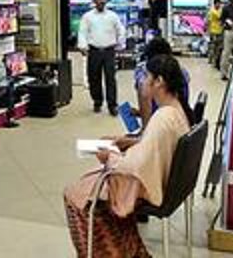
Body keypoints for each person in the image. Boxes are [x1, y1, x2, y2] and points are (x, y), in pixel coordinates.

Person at [64, 55, 194, 257]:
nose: (142, 81)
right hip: (166, 183)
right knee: (88, 185)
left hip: (147, 185)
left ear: (159, 81)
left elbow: (134, 167)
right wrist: (126, 143)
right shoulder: (176, 110)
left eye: (147, 76)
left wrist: (109, 155)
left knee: (75, 195)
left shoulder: (162, 117)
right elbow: (156, 146)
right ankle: (128, 249)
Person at [78, 0, 126, 116]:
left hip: (109, 51)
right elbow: (82, 32)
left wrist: (120, 43)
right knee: (94, 78)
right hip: (94, 50)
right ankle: (97, 101)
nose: (101, 1)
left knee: (110, 78)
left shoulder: (113, 16)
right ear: (94, 1)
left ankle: (112, 105)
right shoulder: (87, 16)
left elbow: (120, 30)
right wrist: (82, 46)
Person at [133, 37, 190, 128]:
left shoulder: (144, 72)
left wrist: (144, 129)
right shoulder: (181, 72)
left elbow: (144, 98)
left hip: (158, 124)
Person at [207, 0, 223, 66]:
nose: (219, 5)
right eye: (217, 3)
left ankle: (216, 60)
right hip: (213, 31)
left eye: (220, 3)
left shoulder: (221, 10)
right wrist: (208, 30)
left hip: (220, 31)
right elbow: (209, 21)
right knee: (212, 46)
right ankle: (210, 60)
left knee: (218, 47)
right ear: (215, 4)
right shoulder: (212, 11)